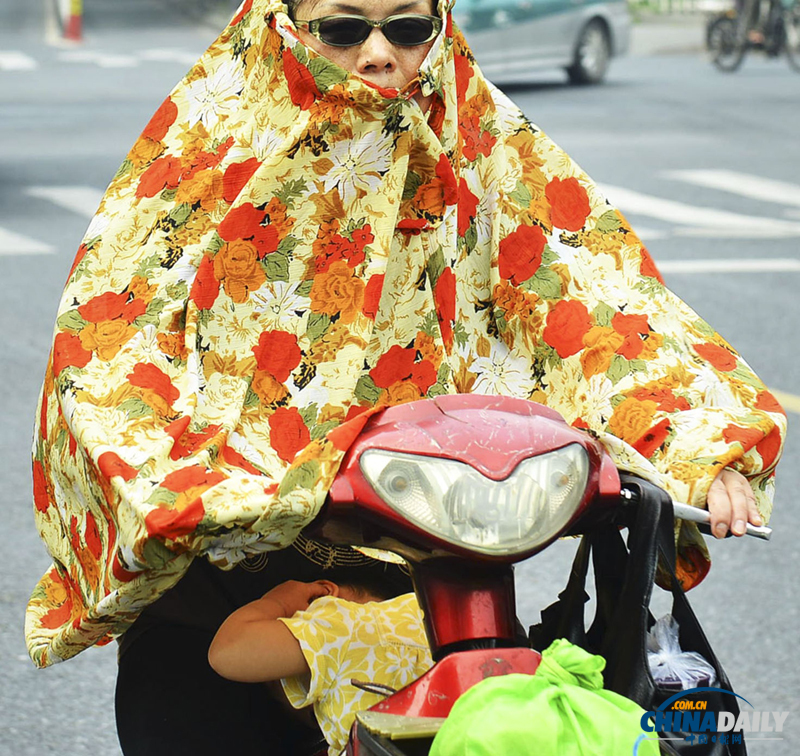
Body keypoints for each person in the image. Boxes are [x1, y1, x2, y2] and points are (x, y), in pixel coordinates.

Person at [25, 0, 785, 752]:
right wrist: (187, 481)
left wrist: (699, 440)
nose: (379, 52)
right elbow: (105, 345)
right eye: (343, 28)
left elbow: (595, 300)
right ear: (285, 28)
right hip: (213, 598)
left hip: (411, 597)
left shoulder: (483, 146)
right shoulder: (208, 146)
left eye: (409, 27)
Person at [208, 574, 432, 755]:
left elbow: (227, 650)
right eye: (316, 715)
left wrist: (280, 601)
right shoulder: (427, 613)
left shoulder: (345, 624)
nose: (318, 696)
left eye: (299, 680)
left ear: (321, 593)